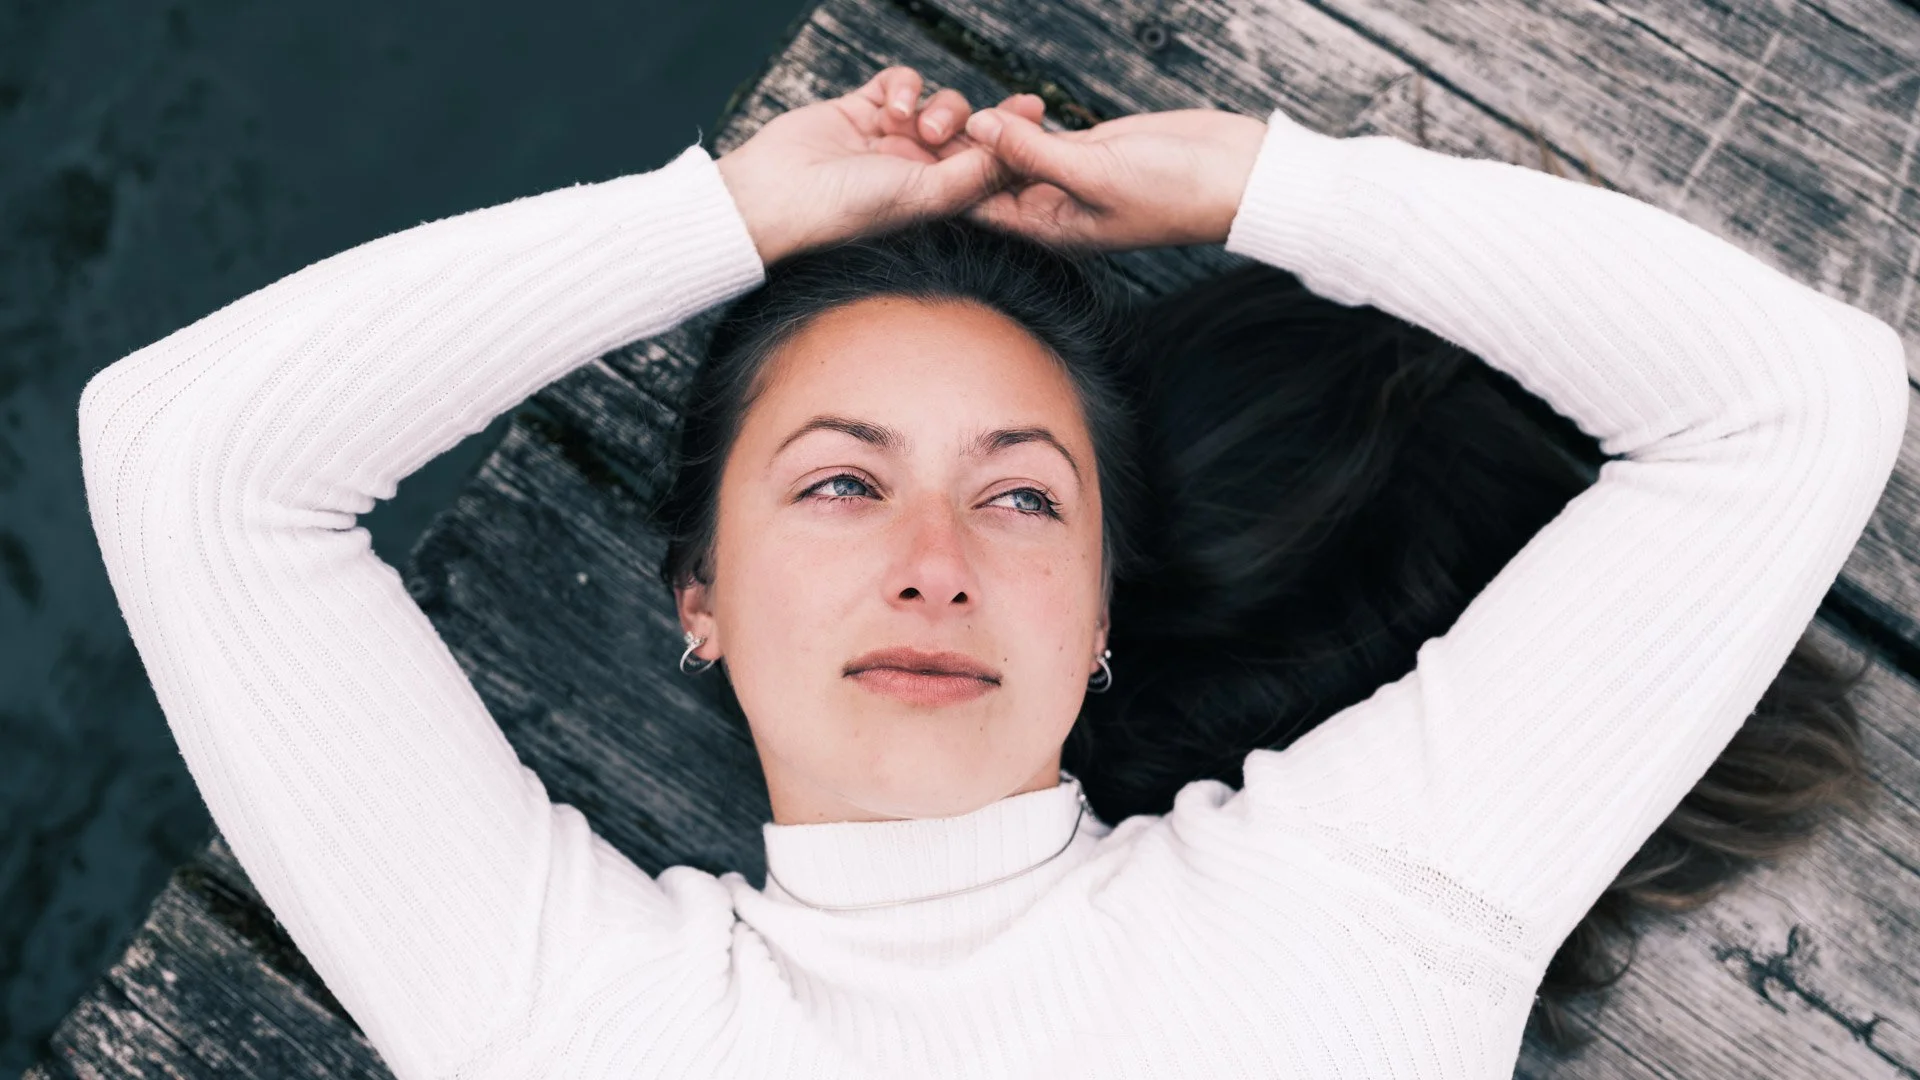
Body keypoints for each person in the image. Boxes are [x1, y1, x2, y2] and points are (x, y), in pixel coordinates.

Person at [77, 61, 1907, 1079]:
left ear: (1100, 612)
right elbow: (191, 460)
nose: (934, 563)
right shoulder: (581, 1021)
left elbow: (1796, 399)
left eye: (1023, 500)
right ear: (695, 602)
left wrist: (1273, 185)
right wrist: (724, 213)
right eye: (838, 487)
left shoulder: (1349, 915)